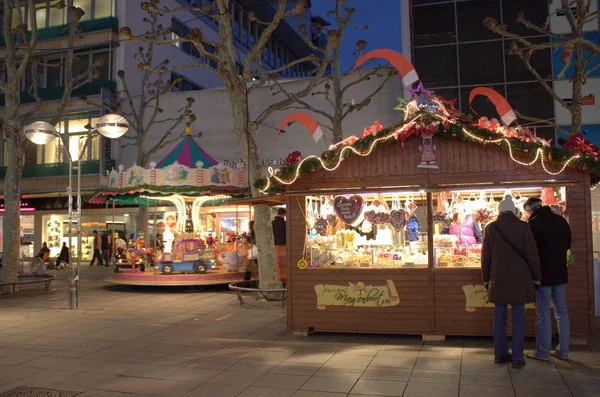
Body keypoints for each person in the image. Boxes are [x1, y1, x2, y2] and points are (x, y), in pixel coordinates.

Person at [481, 195, 542, 369]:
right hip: (520, 279)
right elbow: (532, 255)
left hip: (498, 278)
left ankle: (500, 354)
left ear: (499, 211)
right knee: (518, 318)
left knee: (499, 317)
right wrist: (536, 277)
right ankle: (517, 357)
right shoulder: (523, 227)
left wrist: (486, 279)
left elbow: (485, 257)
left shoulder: (491, 228)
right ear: (514, 211)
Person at [524, 197, 572, 362]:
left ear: (530, 210)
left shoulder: (533, 225)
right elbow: (568, 244)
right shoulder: (561, 221)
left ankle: (543, 352)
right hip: (560, 273)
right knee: (561, 313)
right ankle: (563, 351)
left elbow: (529, 252)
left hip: (542, 276)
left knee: (543, 314)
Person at [272, 208, 287, 284]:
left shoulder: (272, 223)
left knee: (277, 265)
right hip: (284, 246)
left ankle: (277, 280)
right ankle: (284, 281)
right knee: (284, 265)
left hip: (274, 246)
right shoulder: (285, 224)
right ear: (284, 214)